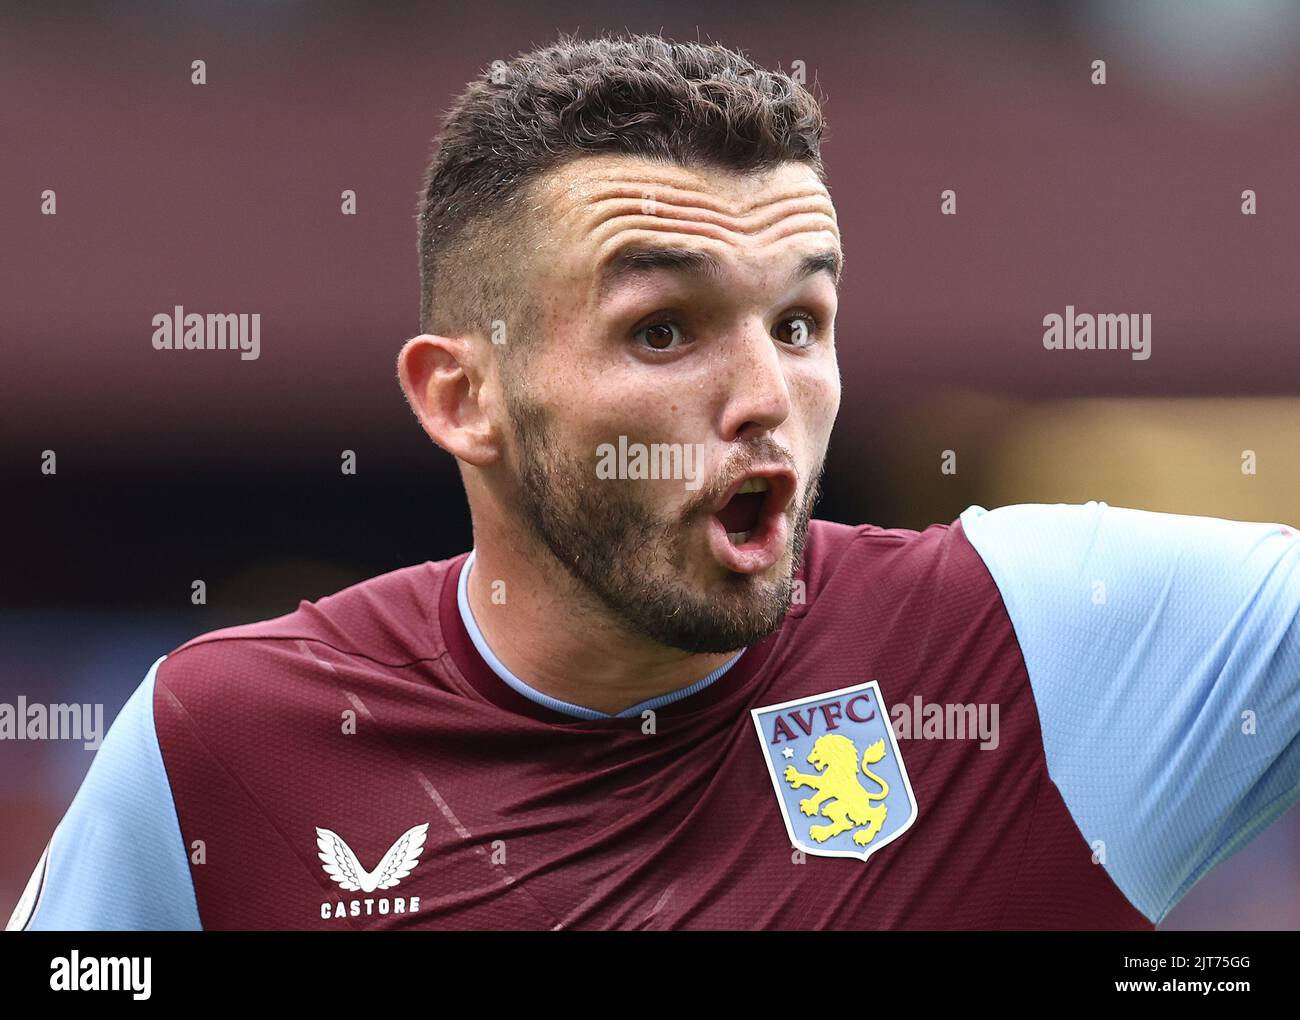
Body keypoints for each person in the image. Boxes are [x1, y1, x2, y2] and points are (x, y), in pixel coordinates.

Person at [10, 31, 1298, 931]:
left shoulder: (1045, 642)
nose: (763, 400)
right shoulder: (219, 743)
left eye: (800, 325)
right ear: (462, 399)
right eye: (664, 330)